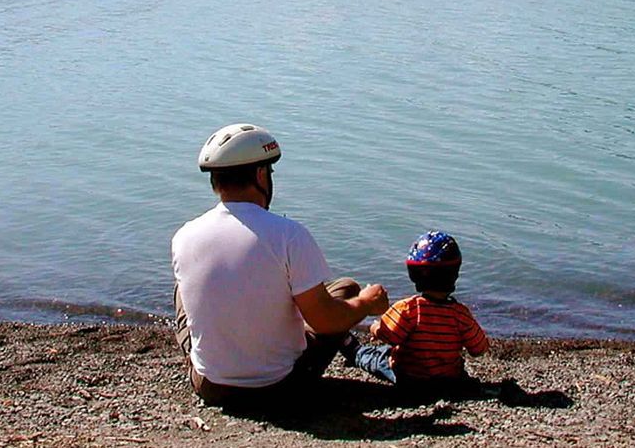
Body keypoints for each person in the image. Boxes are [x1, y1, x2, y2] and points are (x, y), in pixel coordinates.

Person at [171, 123, 390, 406]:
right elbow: (324, 322)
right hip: (280, 387)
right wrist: (366, 304)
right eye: (270, 172)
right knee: (346, 290)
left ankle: (221, 358)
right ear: (260, 174)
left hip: (211, 386)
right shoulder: (289, 235)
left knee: (182, 289)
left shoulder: (184, 236)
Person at [347, 230, 489, 391]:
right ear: (454, 274)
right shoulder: (461, 315)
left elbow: (389, 335)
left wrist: (374, 328)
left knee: (378, 358)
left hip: (410, 378)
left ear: (414, 275)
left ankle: (354, 350)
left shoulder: (408, 309)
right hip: (448, 380)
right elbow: (479, 349)